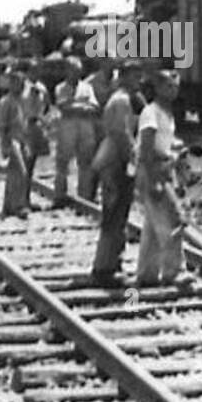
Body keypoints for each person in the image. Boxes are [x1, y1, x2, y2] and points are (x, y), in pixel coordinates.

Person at [91, 60, 144, 287]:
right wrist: (135, 158)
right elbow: (122, 134)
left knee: (117, 215)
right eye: (134, 76)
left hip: (116, 160)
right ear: (123, 77)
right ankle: (104, 267)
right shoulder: (121, 101)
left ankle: (112, 263)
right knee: (113, 215)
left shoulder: (124, 99)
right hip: (115, 162)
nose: (138, 80)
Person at [135, 69, 188, 287]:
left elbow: (162, 141)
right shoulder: (152, 112)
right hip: (153, 169)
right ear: (156, 88)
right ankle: (174, 272)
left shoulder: (166, 113)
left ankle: (147, 273)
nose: (173, 90)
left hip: (163, 169)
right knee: (172, 220)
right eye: (168, 86)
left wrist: (176, 149)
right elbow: (147, 147)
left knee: (152, 226)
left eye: (175, 86)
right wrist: (154, 178)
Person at [53, 56, 101, 204]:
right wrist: (82, 105)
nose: (76, 74)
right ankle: (60, 195)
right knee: (63, 162)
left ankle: (84, 197)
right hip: (68, 127)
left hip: (85, 127)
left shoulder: (87, 87)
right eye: (73, 71)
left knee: (85, 162)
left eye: (78, 71)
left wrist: (75, 105)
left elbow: (94, 107)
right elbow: (63, 107)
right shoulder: (60, 88)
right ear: (67, 71)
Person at [0, 64, 32, 217]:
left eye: (21, 81)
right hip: (12, 140)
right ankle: (19, 206)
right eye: (16, 81)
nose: (20, 85)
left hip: (22, 139)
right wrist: (4, 144)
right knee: (21, 172)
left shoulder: (22, 100)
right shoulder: (6, 102)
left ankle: (8, 206)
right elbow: (1, 126)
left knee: (14, 174)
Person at [20, 59, 51, 192]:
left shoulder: (41, 88)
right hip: (24, 125)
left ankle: (26, 196)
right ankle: (21, 197)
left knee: (31, 164)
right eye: (33, 70)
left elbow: (47, 105)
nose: (36, 73)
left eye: (37, 70)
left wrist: (42, 118)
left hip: (36, 125)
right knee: (23, 163)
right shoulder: (22, 87)